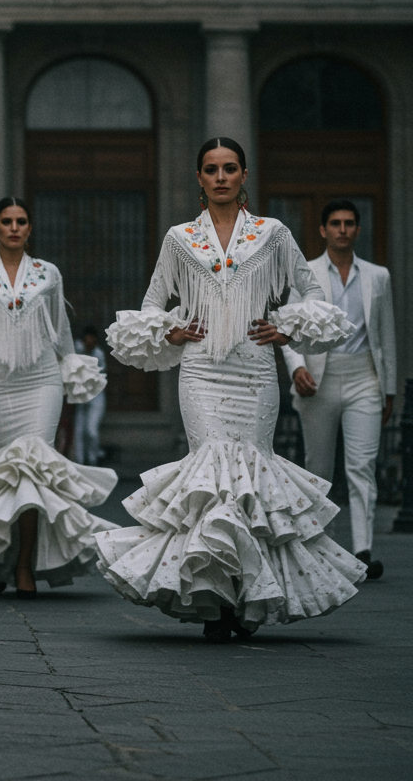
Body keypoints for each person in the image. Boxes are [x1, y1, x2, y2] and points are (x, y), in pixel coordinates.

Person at [98, 138, 367, 642]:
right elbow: (153, 303)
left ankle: (248, 595)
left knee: (251, 478)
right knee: (213, 473)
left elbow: (311, 292)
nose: (221, 177)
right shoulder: (180, 238)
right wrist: (171, 332)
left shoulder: (273, 234)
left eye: (229, 168)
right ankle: (217, 600)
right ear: (199, 179)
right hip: (200, 371)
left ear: (244, 175)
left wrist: (285, 329)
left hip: (255, 371)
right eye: (210, 169)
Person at [0, 198, 117, 598]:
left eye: (21, 222)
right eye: (6, 221)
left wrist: (72, 369)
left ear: (30, 229)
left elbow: (62, 329)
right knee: (7, 475)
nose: (14, 228)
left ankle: (24, 566)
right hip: (0, 383)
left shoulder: (48, 274)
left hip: (42, 381)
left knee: (33, 467)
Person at [283, 199, 396, 581]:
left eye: (349, 223)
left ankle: (363, 551)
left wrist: (389, 388)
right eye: (335, 223)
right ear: (323, 230)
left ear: (357, 230)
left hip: (365, 374)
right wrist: (297, 367)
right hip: (320, 377)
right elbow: (287, 328)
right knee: (318, 468)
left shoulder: (377, 276)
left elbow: (386, 335)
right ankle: (321, 545)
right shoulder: (307, 273)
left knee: (361, 466)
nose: (342, 229)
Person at [71, 326, 108, 466]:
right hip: (80, 396)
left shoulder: (99, 355)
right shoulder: (78, 349)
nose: (89, 342)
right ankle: (80, 461)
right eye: (87, 340)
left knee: (91, 430)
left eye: (92, 340)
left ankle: (93, 459)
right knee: (79, 431)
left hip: (96, 396)